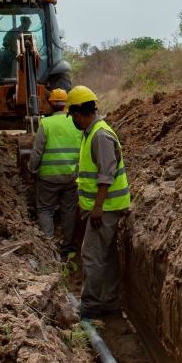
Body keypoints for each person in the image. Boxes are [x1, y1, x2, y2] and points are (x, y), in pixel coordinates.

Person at [65, 85, 131, 319]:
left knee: (91, 257)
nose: (73, 120)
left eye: (73, 115)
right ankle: (110, 303)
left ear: (78, 113)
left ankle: (90, 306)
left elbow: (106, 175)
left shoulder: (100, 135)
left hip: (105, 209)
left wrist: (98, 207)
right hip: (105, 208)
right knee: (108, 257)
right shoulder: (92, 132)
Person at [27, 88, 82, 258]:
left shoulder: (46, 123)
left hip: (48, 178)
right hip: (71, 176)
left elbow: (37, 152)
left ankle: (49, 247)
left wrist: (31, 169)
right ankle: (68, 246)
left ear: (51, 104)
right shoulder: (77, 123)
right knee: (69, 211)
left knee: (45, 210)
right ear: (67, 105)